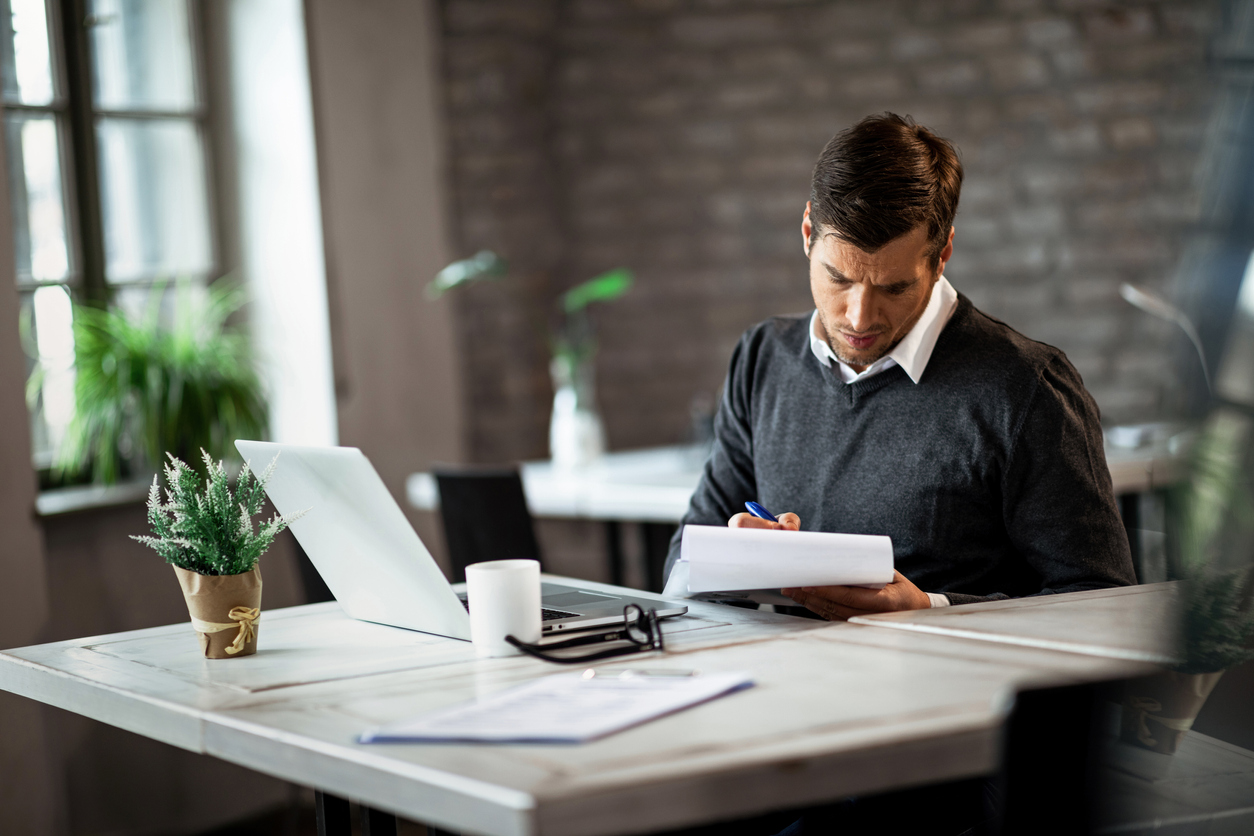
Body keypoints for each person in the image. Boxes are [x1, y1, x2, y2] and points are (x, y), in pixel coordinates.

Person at [664, 113, 1136, 620]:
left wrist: (931, 609)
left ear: (942, 255)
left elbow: (1102, 605)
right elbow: (678, 570)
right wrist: (729, 560)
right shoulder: (762, 359)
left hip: (956, 693)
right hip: (787, 689)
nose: (859, 317)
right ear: (807, 233)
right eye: (838, 278)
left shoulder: (1025, 389)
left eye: (894, 287)